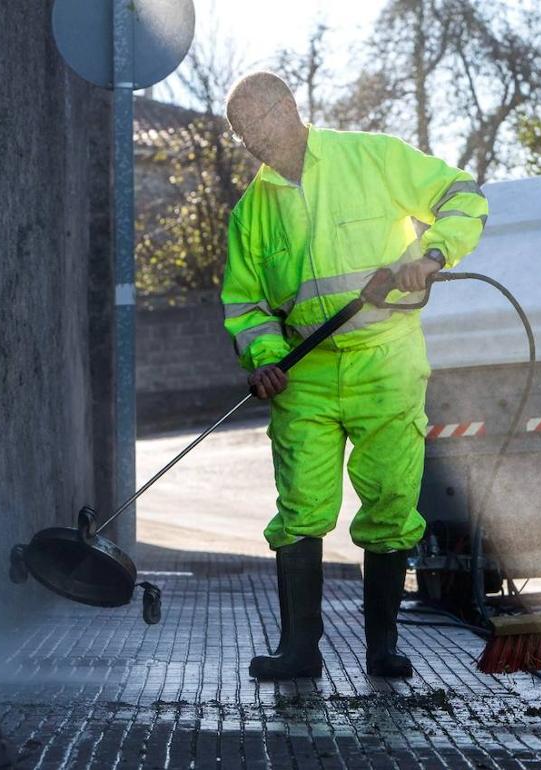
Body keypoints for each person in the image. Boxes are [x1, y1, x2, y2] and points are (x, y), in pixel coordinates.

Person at [220, 71, 488, 681]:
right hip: (305, 374)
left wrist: (430, 255)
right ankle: (299, 650)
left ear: (288, 108)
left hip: (385, 358)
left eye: (257, 123)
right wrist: (262, 357)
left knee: (392, 504)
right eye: (241, 134)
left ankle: (382, 649)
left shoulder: (369, 156)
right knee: (300, 509)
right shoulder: (250, 213)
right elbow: (245, 304)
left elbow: (463, 195)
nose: (253, 141)